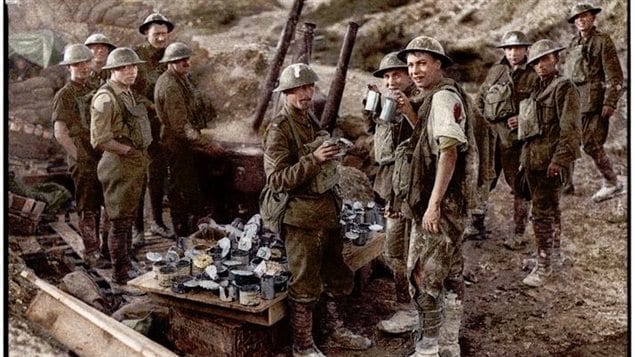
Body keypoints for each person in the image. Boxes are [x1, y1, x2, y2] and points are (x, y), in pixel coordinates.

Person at [263, 63, 371, 357]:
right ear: (286, 93)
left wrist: (332, 147)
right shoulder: (279, 129)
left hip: (325, 211)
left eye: (310, 88)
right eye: (299, 89)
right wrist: (315, 158)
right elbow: (277, 179)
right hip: (299, 217)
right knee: (304, 281)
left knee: (335, 273)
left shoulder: (307, 118)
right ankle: (303, 345)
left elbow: (318, 144)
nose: (306, 94)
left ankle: (334, 330)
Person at [395, 35, 478, 357]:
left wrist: (432, 205)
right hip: (450, 199)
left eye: (422, 63)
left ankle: (429, 348)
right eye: (411, 64)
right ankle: (449, 341)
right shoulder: (437, 96)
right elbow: (428, 141)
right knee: (451, 269)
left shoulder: (442, 99)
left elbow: (447, 153)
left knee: (423, 274)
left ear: (438, 64)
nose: (415, 71)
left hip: (440, 200)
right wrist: (408, 113)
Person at [366, 52, 420, 334]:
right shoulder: (390, 103)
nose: (390, 81)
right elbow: (380, 150)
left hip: (411, 189)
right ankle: (406, 306)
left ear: (410, 75)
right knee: (396, 249)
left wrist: (407, 110)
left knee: (411, 251)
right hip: (392, 187)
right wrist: (373, 111)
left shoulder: (421, 102)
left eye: (396, 74)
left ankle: (414, 310)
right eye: (386, 76)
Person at [90, 47, 152, 288]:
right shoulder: (105, 98)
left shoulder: (127, 93)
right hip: (119, 164)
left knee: (124, 217)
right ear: (112, 70)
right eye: (124, 68)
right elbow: (100, 140)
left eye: (134, 67)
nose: (131, 71)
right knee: (120, 221)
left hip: (132, 164)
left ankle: (122, 261)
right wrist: (128, 151)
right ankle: (120, 275)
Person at [521, 39, 581, 287]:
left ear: (556, 58)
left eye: (544, 59)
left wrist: (559, 160)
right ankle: (552, 257)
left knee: (542, 213)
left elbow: (571, 130)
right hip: (535, 160)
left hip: (549, 162)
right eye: (535, 62)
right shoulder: (539, 87)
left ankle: (545, 267)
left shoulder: (564, 87)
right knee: (550, 208)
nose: (539, 65)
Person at [474, 31, 539, 249]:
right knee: (483, 180)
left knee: (520, 186)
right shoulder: (496, 70)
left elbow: (543, 105)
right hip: (492, 137)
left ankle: (518, 234)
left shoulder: (534, 74)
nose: (512, 53)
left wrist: (523, 119)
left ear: (526, 50)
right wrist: (480, 123)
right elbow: (482, 97)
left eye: (517, 48)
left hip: (516, 140)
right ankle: (476, 225)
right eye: (508, 49)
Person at [154, 42, 224, 237]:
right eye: (180, 60)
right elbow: (180, 126)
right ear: (170, 62)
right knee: (182, 192)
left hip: (185, 144)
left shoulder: (182, 79)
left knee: (191, 190)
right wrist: (207, 143)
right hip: (176, 146)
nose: (186, 62)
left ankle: (192, 230)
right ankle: (183, 236)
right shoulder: (170, 85)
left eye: (187, 58)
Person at [52, 44, 108, 268]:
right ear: (69, 67)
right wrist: (79, 156)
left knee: (108, 202)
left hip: (103, 153)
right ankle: (92, 250)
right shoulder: (64, 95)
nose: (83, 67)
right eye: (77, 64)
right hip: (82, 156)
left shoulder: (97, 86)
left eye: (86, 62)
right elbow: (60, 133)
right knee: (88, 205)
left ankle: (107, 249)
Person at [563, 2, 624, 202]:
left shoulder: (603, 41)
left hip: (595, 102)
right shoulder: (573, 44)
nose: (581, 20)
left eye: (585, 16)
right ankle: (566, 185)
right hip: (575, 102)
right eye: (577, 18)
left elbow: (615, 76)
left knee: (592, 144)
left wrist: (610, 102)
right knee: (568, 141)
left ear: (593, 18)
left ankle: (612, 183)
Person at [132, 12, 176, 242]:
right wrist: (151, 105)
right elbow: (129, 92)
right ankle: (137, 228)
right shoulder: (136, 58)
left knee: (157, 176)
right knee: (140, 176)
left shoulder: (170, 57)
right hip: (140, 126)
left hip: (161, 128)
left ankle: (157, 223)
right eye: (156, 34)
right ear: (146, 34)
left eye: (164, 34)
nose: (161, 38)